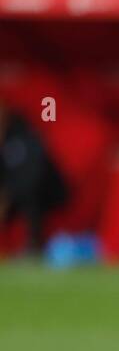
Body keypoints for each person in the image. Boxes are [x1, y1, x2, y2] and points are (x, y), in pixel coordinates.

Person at [0, 99, 68, 253]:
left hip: (45, 193)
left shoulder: (22, 135)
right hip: (12, 193)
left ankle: (33, 244)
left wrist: (7, 196)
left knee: (30, 196)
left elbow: (31, 175)